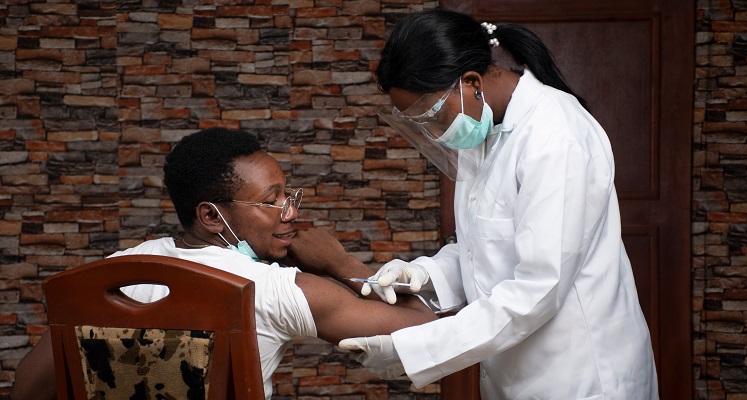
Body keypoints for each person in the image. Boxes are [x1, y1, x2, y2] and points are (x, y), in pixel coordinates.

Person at [337, 9, 659, 400]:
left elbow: (538, 287)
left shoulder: (556, 137)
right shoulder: (483, 132)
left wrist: (415, 349)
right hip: (517, 375)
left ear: (471, 82)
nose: (435, 134)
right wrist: (423, 276)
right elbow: (484, 249)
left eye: (433, 118)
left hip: (581, 377)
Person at [11, 127, 437, 400]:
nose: (289, 213)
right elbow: (432, 330)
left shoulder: (111, 274)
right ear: (212, 215)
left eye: (288, 197)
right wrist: (341, 262)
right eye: (271, 202)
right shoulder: (277, 289)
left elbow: (28, 387)